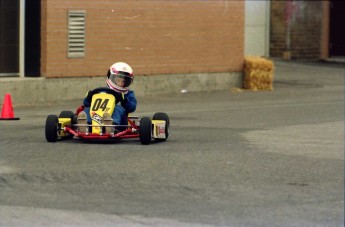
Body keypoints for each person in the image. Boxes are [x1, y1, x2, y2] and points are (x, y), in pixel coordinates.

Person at [77, 62, 137, 133]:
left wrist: (124, 100)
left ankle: (111, 125)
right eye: (118, 80)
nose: (120, 84)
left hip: (120, 123)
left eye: (123, 81)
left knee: (117, 108)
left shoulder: (128, 93)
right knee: (89, 109)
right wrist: (89, 97)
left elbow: (132, 107)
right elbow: (86, 103)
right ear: (110, 77)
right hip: (98, 118)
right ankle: (85, 124)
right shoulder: (102, 91)